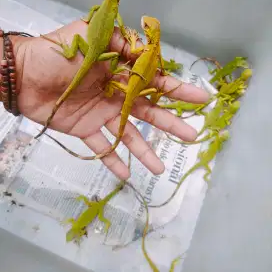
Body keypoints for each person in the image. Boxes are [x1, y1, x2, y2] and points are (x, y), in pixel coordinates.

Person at [3, 20, 209, 179]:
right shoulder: (154, 51)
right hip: (131, 88)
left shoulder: (143, 49)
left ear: (148, 32)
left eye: (146, 26)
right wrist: (21, 63)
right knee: (132, 103)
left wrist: (20, 60)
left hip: (127, 87)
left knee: (129, 104)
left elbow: (138, 52)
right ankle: (121, 114)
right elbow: (160, 64)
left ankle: (117, 107)